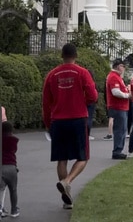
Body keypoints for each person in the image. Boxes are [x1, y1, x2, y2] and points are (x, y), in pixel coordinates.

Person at [42, 43, 98, 210]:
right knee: (83, 157)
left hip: (58, 120)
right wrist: (84, 103)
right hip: (77, 118)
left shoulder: (52, 75)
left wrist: (47, 123)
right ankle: (67, 181)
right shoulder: (82, 72)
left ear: (62, 55)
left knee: (62, 158)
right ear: (76, 55)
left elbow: (46, 102)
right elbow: (93, 96)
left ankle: (66, 197)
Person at [105, 58, 130, 160]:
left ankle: (118, 150)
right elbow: (116, 92)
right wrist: (127, 95)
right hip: (118, 107)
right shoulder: (114, 77)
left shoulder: (116, 77)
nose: (124, 68)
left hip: (120, 107)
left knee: (122, 129)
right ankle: (117, 151)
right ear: (119, 66)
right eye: (123, 66)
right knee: (120, 129)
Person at [0, 121, 19, 218]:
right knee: (13, 190)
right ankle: (14, 210)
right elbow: (14, 150)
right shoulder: (14, 140)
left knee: (1, 190)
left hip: (1, 167)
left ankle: (1, 208)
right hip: (12, 167)